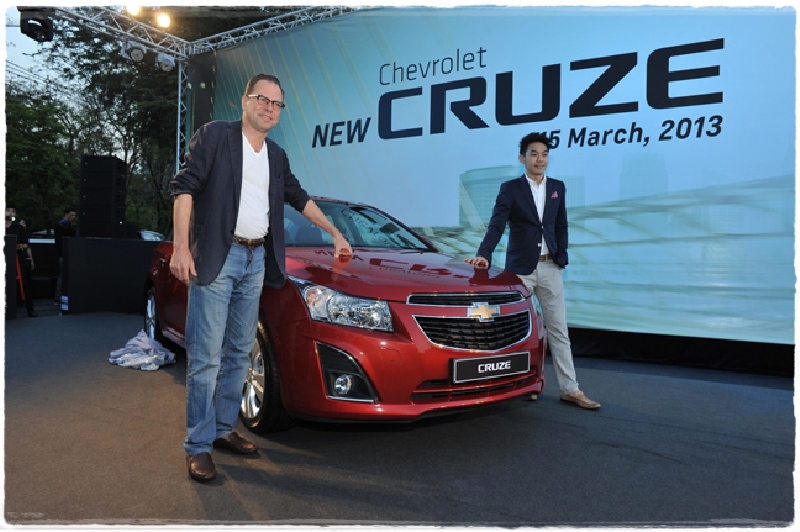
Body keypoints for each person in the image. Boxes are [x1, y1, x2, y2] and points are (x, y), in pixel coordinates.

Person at [170, 73, 353, 482]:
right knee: (206, 356)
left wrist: (334, 232)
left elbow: (299, 197)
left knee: (239, 352)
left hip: (256, 260)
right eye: (262, 99)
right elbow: (184, 189)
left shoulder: (276, 155)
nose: (268, 108)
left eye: (276, 103)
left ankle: (222, 429)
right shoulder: (215, 136)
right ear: (245, 101)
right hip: (218, 257)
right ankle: (198, 445)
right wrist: (181, 247)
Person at [464, 132, 600, 410]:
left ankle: (570, 389)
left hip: (551, 268)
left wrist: (561, 256)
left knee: (559, 330)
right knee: (518, 331)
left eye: (544, 154)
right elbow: (497, 224)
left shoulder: (558, 187)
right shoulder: (510, 188)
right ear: (522, 158)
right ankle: (525, 384)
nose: (540, 159)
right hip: (520, 272)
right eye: (534, 153)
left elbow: (560, 225)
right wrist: (484, 254)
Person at [5, 204, 37, 317]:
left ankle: (30, 311)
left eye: (12, 211)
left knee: (25, 284)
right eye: (7, 210)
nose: (10, 213)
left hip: (18, 259)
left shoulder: (19, 228)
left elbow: (26, 244)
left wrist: (18, 246)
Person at [54, 207, 77, 304]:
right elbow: (59, 243)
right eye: (72, 215)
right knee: (62, 276)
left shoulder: (67, 226)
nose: (73, 217)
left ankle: (60, 296)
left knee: (63, 275)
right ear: (66, 214)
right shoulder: (61, 227)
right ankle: (58, 296)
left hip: (66, 254)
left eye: (74, 215)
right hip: (63, 254)